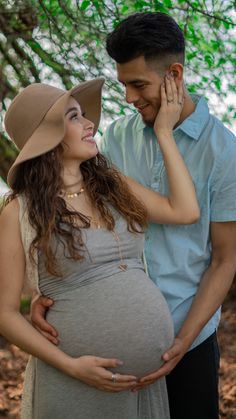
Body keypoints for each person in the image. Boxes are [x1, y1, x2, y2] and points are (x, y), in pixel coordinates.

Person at [31, 12, 236, 419]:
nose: (128, 97)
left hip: (189, 341)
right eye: (123, 84)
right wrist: (49, 290)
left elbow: (225, 259)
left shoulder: (224, 153)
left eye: (138, 84)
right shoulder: (116, 138)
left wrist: (184, 338)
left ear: (174, 74)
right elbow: (75, 218)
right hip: (104, 357)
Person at [0, 77, 199, 419]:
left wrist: (164, 133)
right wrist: (72, 366)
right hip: (73, 381)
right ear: (47, 136)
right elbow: (4, 314)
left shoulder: (112, 186)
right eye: (74, 117)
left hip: (141, 385)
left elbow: (185, 211)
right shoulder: (19, 209)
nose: (90, 123)